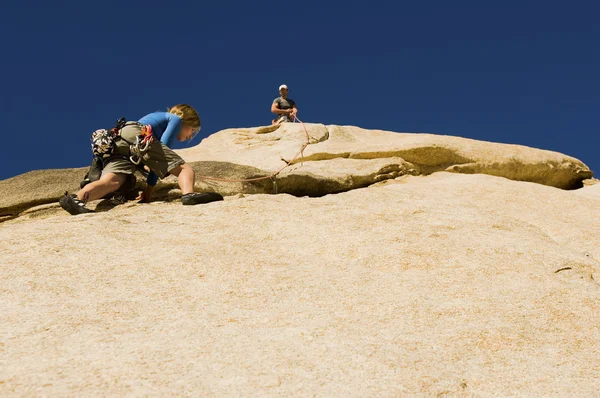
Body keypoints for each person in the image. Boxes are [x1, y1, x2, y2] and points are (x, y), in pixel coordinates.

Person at [59, 104, 223, 215]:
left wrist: (148, 191)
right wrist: (150, 188)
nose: (190, 136)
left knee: (112, 182)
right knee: (184, 169)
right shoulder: (175, 119)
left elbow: (153, 160)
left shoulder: (155, 117)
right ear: (186, 120)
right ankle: (189, 195)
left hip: (120, 142)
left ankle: (75, 199)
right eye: (192, 130)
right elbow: (163, 146)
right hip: (138, 137)